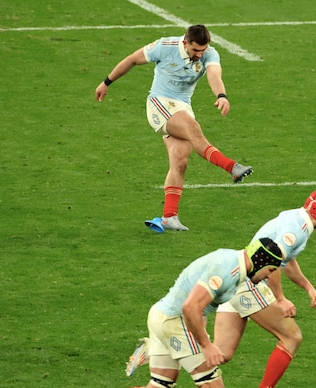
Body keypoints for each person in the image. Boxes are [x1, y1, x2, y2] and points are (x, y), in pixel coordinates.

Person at [67, 238, 284, 388]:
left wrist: (204, 340)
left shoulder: (233, 262)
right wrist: (206, 345)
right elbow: (190, 307)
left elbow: (200, 305)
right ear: (261, 260)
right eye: (271, 270)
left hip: (162, 315)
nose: (268, 277)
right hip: (174, 323)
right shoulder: (229, 269)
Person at [126, 190, 316, 388]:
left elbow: (287, 261)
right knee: (292, 337)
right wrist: (280, 299)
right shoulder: (297, 229)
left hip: (237, 281)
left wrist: (307, 287)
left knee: (221, 353)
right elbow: (273, 263)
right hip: (249, 283)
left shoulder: (294, 217)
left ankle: (158, 345)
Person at [94, 24, 253, 232]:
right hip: (159, 103)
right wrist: (106, 82)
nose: (199, 55)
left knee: (180, 160)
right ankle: (231, 167)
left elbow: (215, 75)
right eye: (196, 50)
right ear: (185, 42)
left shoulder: (209, 54)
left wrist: (221, 96)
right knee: (193, 129)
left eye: (203, 50)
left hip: (182, 107)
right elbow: (132, 59)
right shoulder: (164, 46)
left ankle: (169, 217)